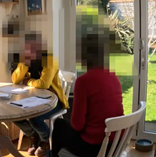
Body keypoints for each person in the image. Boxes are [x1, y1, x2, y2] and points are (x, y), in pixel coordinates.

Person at [50, 6, 124, 157]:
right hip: (115, 144)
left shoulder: (83, 82)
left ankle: (52, 155)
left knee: (59, 125)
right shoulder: (114, 78)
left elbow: (77, 126)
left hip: (94, 147)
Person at [12, 33, 69, 156]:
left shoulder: (50, 59)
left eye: (32, 48)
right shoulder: (26, 60)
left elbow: (44, 84)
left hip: (54, 101)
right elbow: (15, 80)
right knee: (13, 113)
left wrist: (29, 81)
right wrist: (24, 64)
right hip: (32, 99)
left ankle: (45, 141)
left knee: (34, 118)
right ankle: (33, 135)